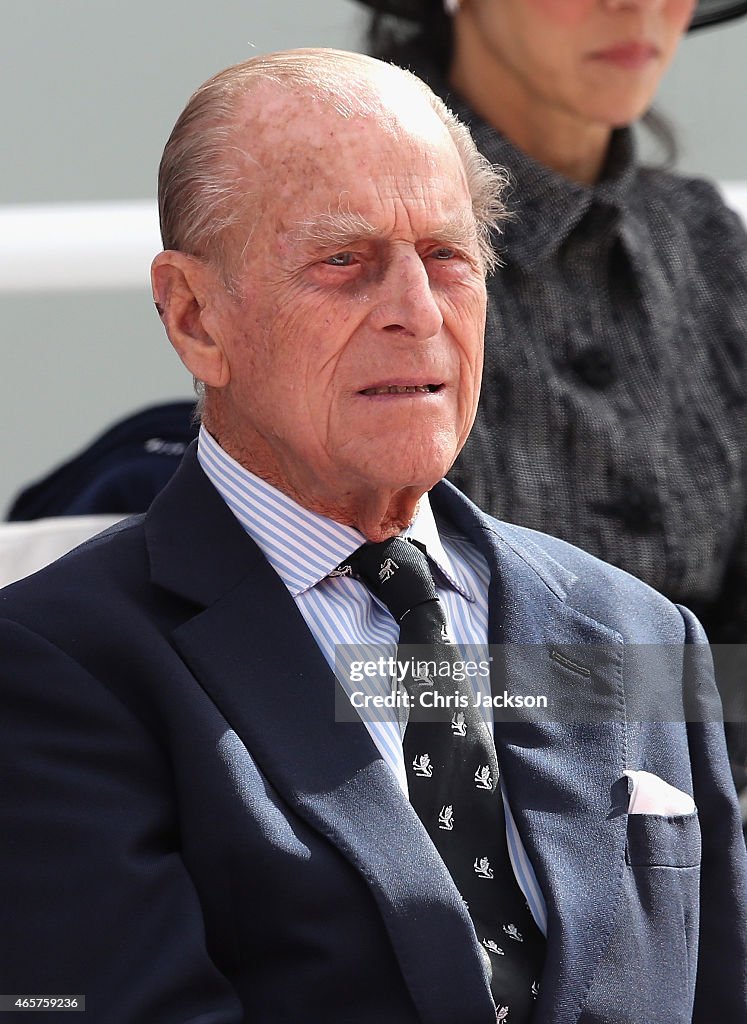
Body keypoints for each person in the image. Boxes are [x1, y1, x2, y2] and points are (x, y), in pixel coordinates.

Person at [0, 49, 745, 1024]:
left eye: (448, 258)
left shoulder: (636, 627)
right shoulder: (57, 665)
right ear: (193, 317)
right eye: (342, 262)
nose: (415, 313)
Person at [361, 0, 747, 782]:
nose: (636, 7)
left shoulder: (699, 238)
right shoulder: (357, 256)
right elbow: (365, 663)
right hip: (461, 831)